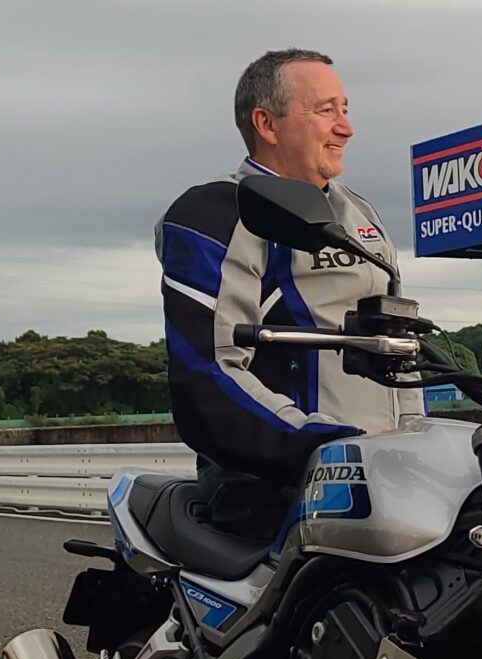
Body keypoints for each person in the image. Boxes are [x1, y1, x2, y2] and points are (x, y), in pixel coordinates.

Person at [154, 48, 423, 540]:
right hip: (274, 482)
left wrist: (416, 444)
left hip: (378, 475)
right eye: (325, 110)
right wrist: (327, 449)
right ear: (267, 124)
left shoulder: (360, 212)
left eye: (345, 110)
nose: (346, 128)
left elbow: (396, 347)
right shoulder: (217, 211)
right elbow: (207, 374)